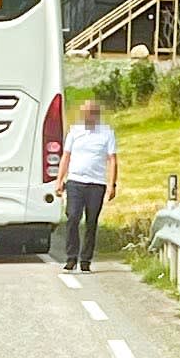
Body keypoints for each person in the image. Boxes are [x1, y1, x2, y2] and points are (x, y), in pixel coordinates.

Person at [56, 97, 120, 272]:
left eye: (91, 113)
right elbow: (66, 156)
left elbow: (112, 160)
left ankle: (85, 259)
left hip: (96, 184)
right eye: (85, 113)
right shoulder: (75, 132)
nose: (88, 116)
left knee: (91, 222)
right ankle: (71, 257)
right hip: (75, 181)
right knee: (73, 218)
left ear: (97, 115)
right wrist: (59, 179)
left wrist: (112, 185)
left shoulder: (106, 133)